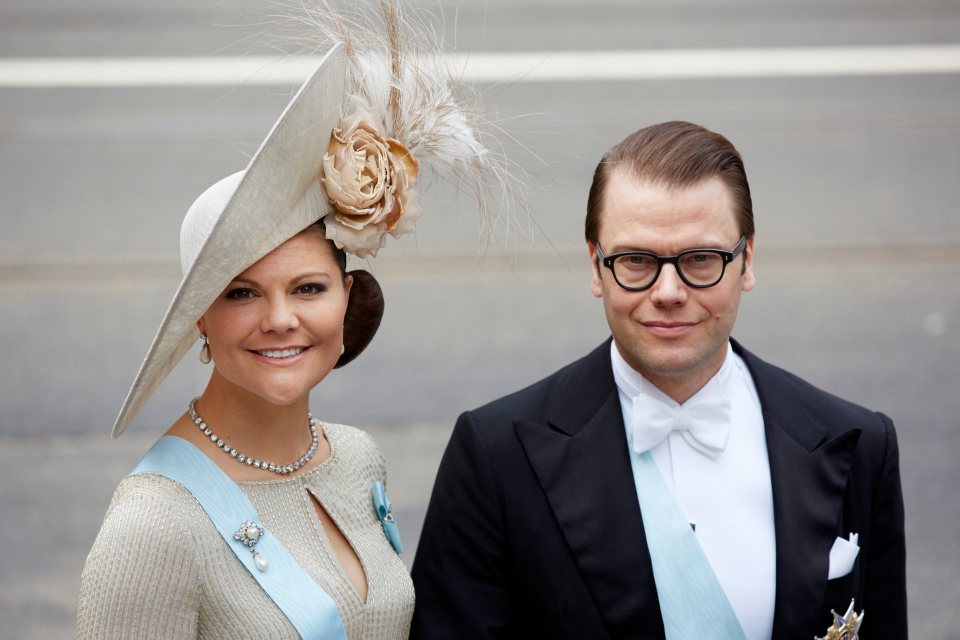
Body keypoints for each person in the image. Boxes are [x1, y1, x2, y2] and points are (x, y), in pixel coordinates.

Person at [77, 2, 508, 637]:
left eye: (308, 288)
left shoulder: (357, 459)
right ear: (200, 318)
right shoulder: (154, 526)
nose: (280, 320)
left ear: (347, 297)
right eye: (242, 294)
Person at [410, 121, 907, 640]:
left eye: (700, 259)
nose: (668, 291)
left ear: (748, 261)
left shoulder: (861, 444)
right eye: (636, 261)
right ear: (596, 268)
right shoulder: (495, 457)